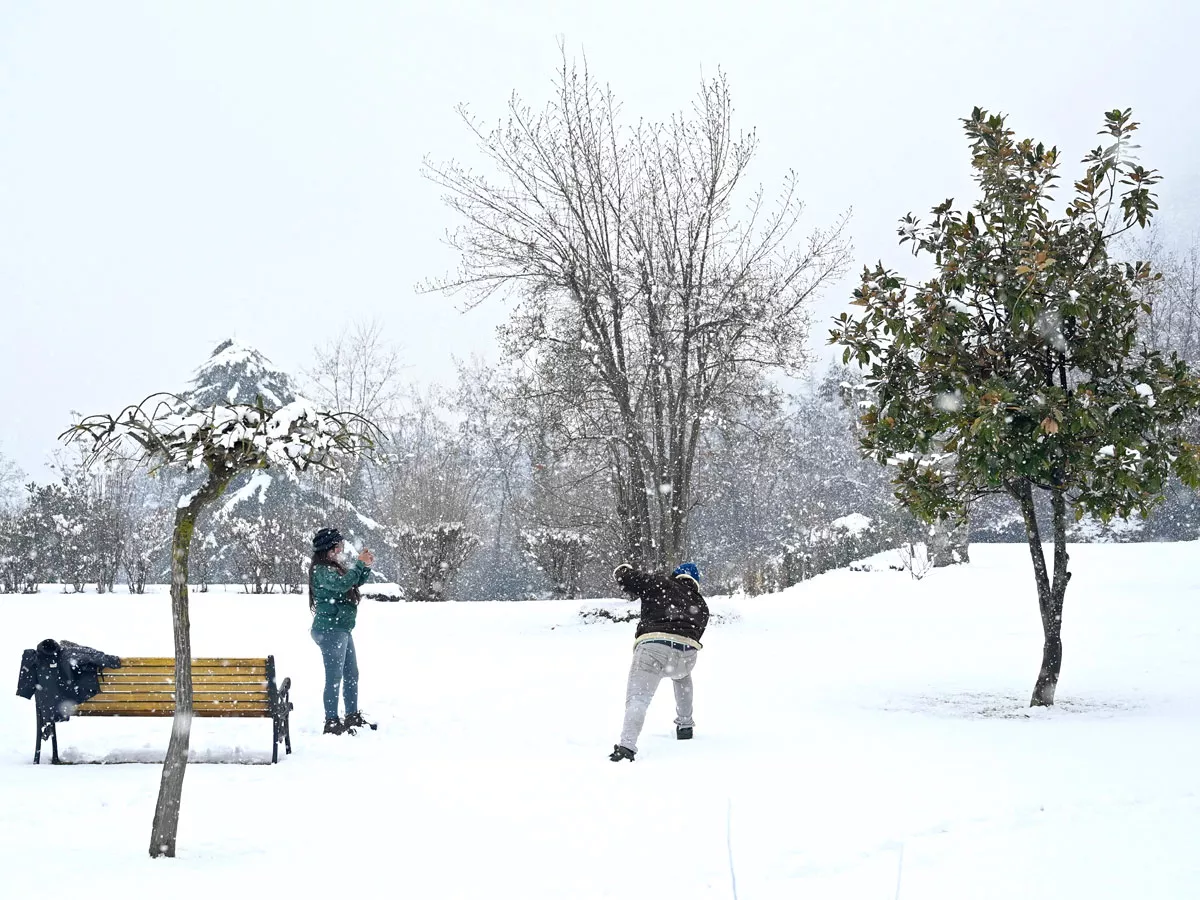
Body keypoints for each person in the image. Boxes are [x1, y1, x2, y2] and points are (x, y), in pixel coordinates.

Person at [608, 561, 709, 762]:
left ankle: (627, 746)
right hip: (686, 655)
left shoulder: (661, 584)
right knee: (682, 678)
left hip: (653, 648)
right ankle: (685, 725)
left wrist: (623, 570)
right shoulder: (701, 604)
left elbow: (627, 578)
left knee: (639, 699)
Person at [309, 527, 375, 735]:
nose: (340, 548)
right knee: (334, 677)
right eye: (338, 545)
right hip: (330, 630)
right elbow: (342, 584)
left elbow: (353, 582)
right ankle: (331, 721)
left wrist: (364, 567)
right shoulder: (321, 570)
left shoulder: (331, 566)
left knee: (351, 673)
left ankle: (352, 716)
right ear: (329, 547)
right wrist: (358, 564)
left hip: (341, 628)